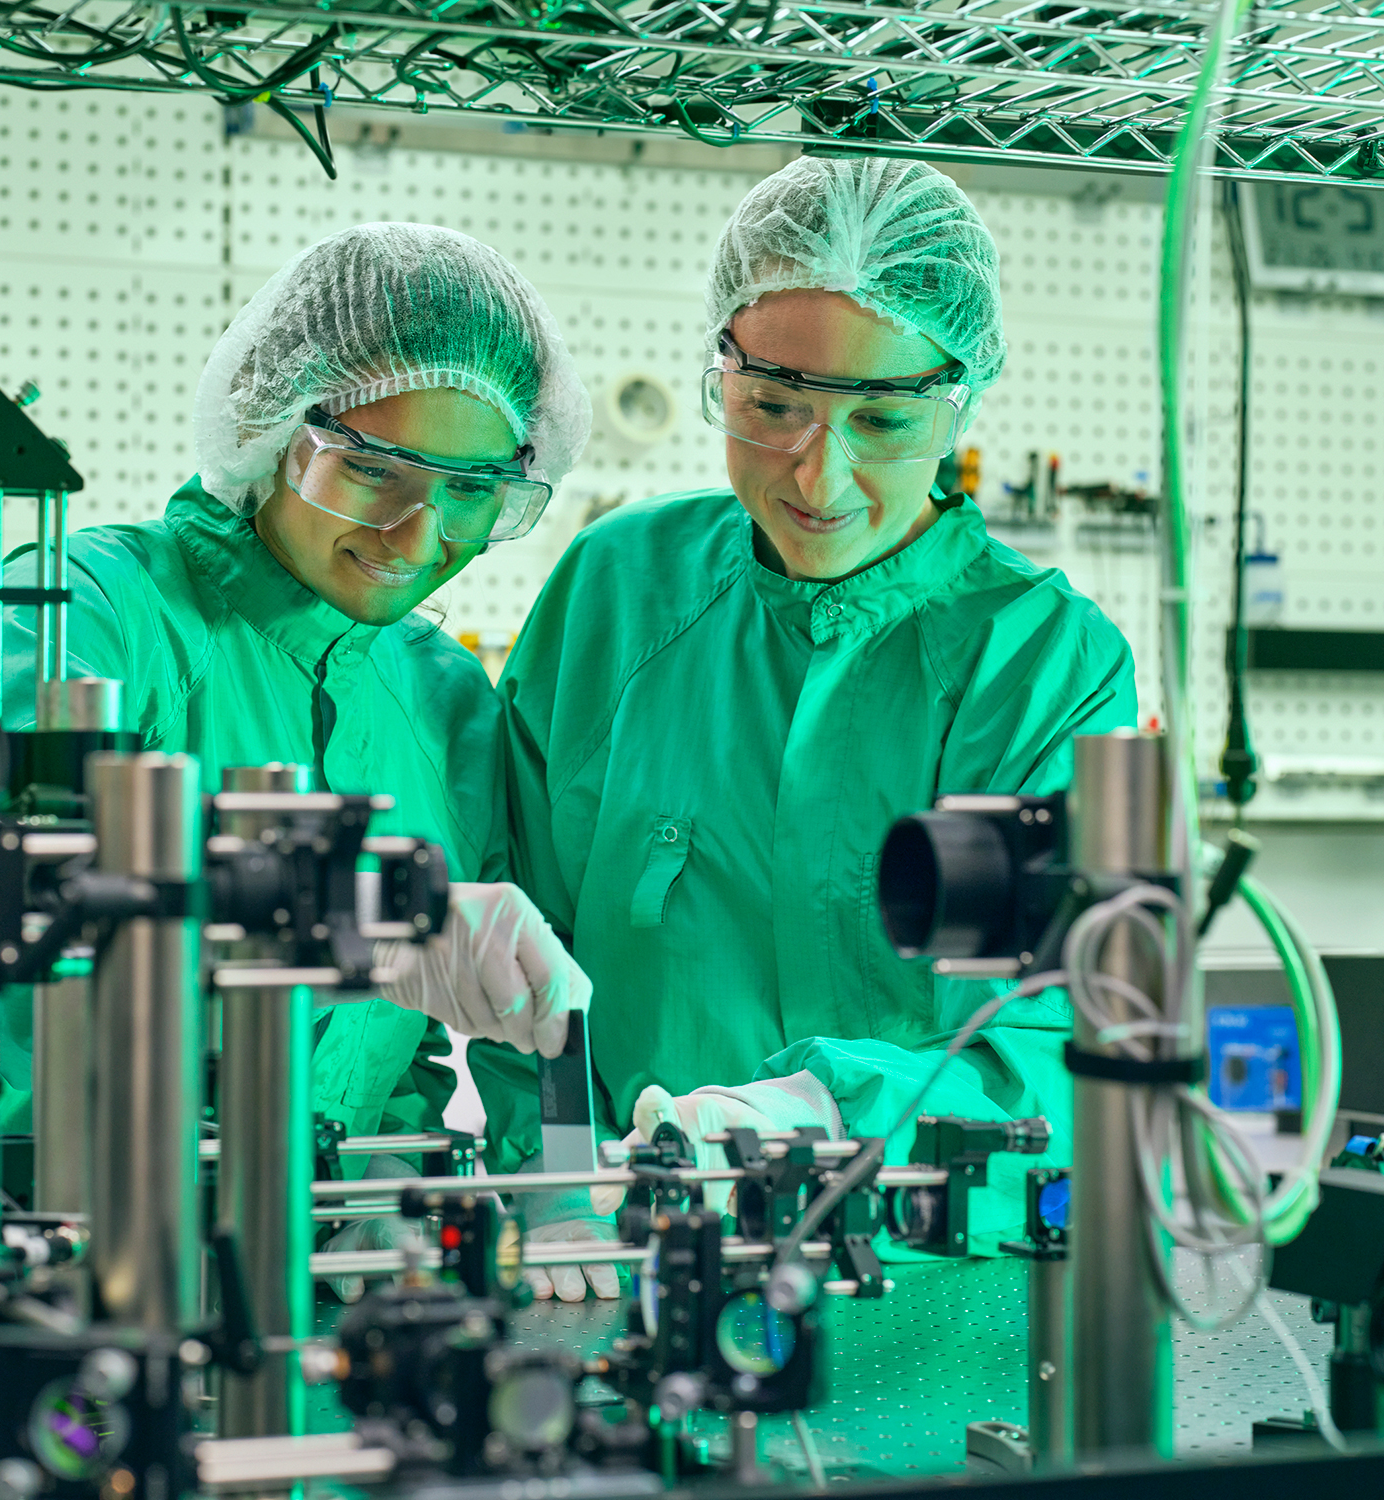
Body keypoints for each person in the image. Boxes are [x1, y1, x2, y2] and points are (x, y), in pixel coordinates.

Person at [471, 156, 1139, 1297]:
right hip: (634, 1273)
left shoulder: (1039, 665)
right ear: (716, 371)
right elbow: (526, 958)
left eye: (881, 418)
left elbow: (1061, 1039)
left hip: (934, 1285)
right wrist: (558, 1181)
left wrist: (808, 1113)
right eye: (774, 406)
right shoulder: (617, 594)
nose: (818, 473)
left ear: (960, 399)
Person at [0, 223, 593, 1227]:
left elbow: (523, 1001)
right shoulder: (86, 607)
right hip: (22, 1234)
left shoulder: (446, 700)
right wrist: (367, 921)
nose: (419, 537)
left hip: (328, 1270)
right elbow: (16, 883)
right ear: (275, 426)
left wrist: (555, 1184)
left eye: (469, 494)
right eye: (371, 473)